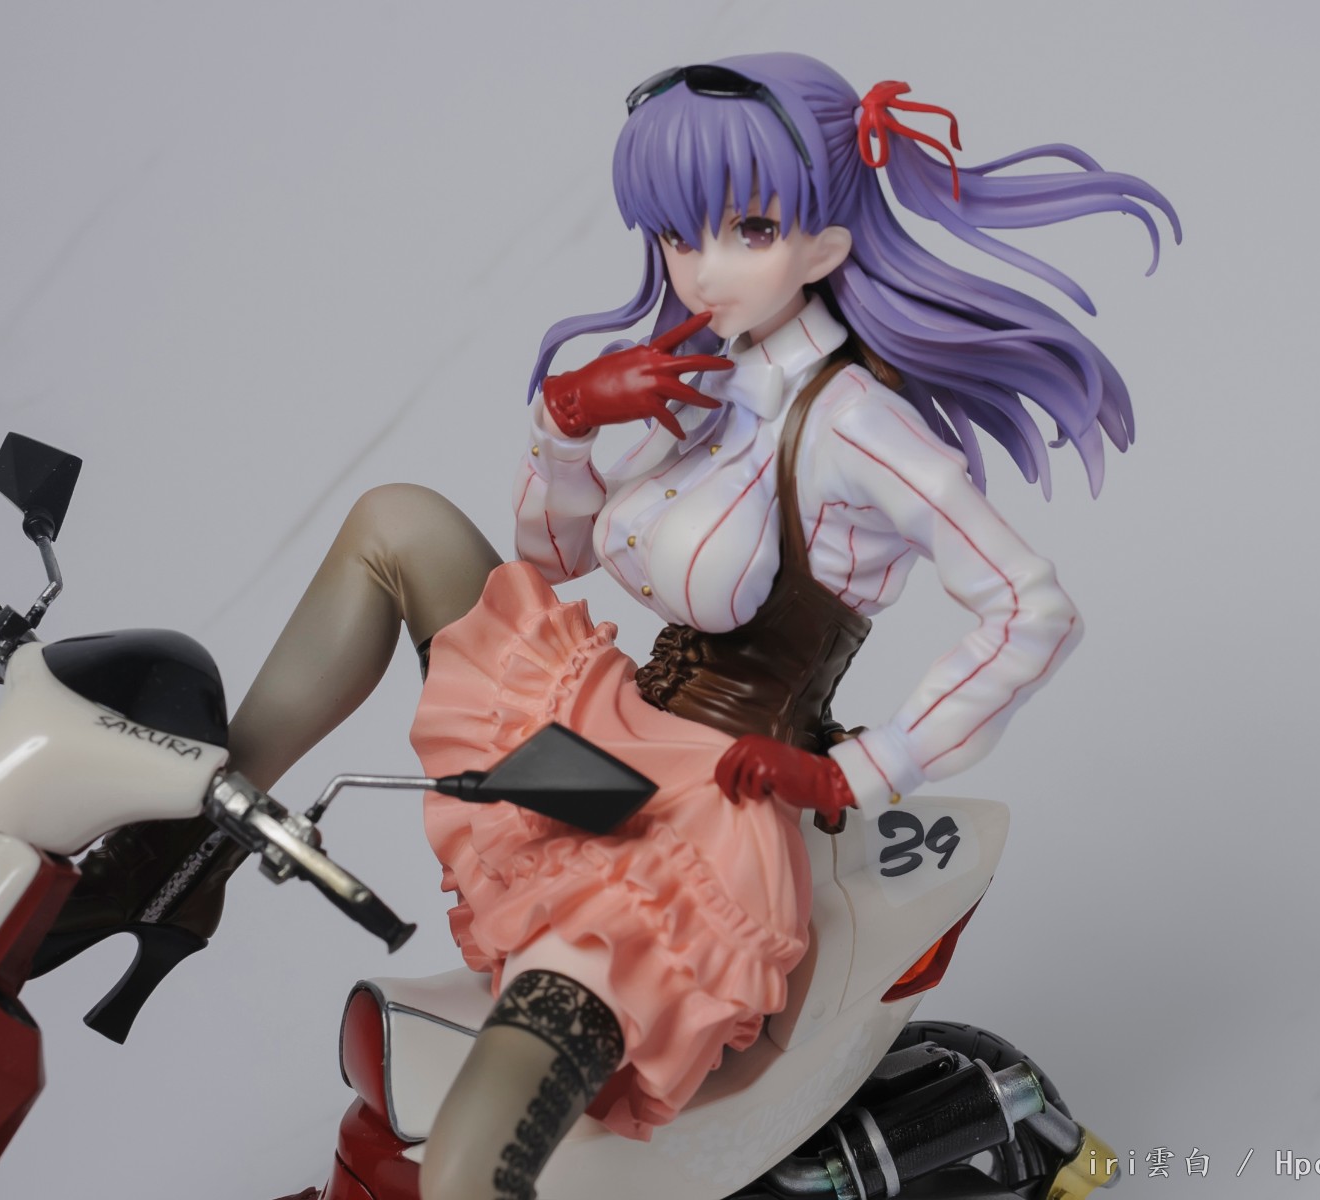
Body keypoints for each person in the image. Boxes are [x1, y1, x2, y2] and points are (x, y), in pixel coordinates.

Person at [229, 52, 1174, 1200]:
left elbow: (1031, 609)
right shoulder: (708, 377)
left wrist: (860, 770)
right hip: (610, 731)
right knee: (399, 523)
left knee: (475, 1149)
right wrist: (568, 422)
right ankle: (187, 838)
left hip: (708, 812)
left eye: (746, 230)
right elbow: (551, 560)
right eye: (678, 236)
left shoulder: (855, 424)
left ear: (825, 242)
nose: (699, 267)